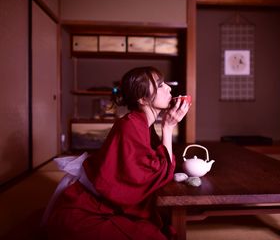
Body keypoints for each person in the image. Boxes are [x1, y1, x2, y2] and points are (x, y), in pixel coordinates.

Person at [44, 66, 191, 240]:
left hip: (106, 204)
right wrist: (168, 127)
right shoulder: (129, 125)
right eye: (160, 85)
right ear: (143, 99)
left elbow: (160, 166)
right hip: (87, 209)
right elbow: (152, 173)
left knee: (160, 229)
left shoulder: (144, 123)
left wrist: (167, 126)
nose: (168, 88)